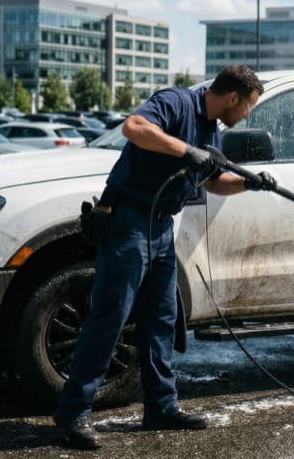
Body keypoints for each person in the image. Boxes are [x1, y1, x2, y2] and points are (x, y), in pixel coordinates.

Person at [53, 64, 274, 450]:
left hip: (159, 229)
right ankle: (73, 413)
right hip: (127, 223)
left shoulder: (210, 130)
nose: (247, 115)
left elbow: (213, 181)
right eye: (248, 107)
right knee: (109, 318)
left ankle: (160, 407)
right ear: (232, 97)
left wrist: (248, 182)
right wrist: (186, 151)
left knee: (161, 321)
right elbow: (134, 128)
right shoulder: (176, 103)